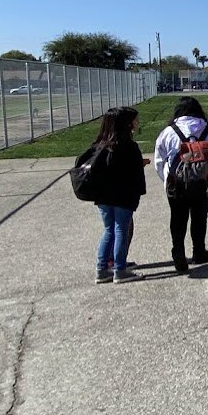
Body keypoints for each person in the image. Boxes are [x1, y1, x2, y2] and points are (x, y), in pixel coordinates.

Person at [153, 97, 208, 274]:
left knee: (177, 218)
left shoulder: (168, 132)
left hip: (176, 182)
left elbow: (159, 161)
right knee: (200, 216)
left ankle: (178, 251)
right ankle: (199, 251)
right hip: (204, 183)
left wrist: (166, 179)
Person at [90, 106, 147, 284]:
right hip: (122, 194)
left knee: (109, 230)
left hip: (104, 196)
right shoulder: (128, 146)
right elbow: (132, 171)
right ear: (127, 124)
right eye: (135, 120)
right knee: (121, 229)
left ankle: (102, 268)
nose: (137, 123)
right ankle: (119, 269)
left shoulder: (101, 144)